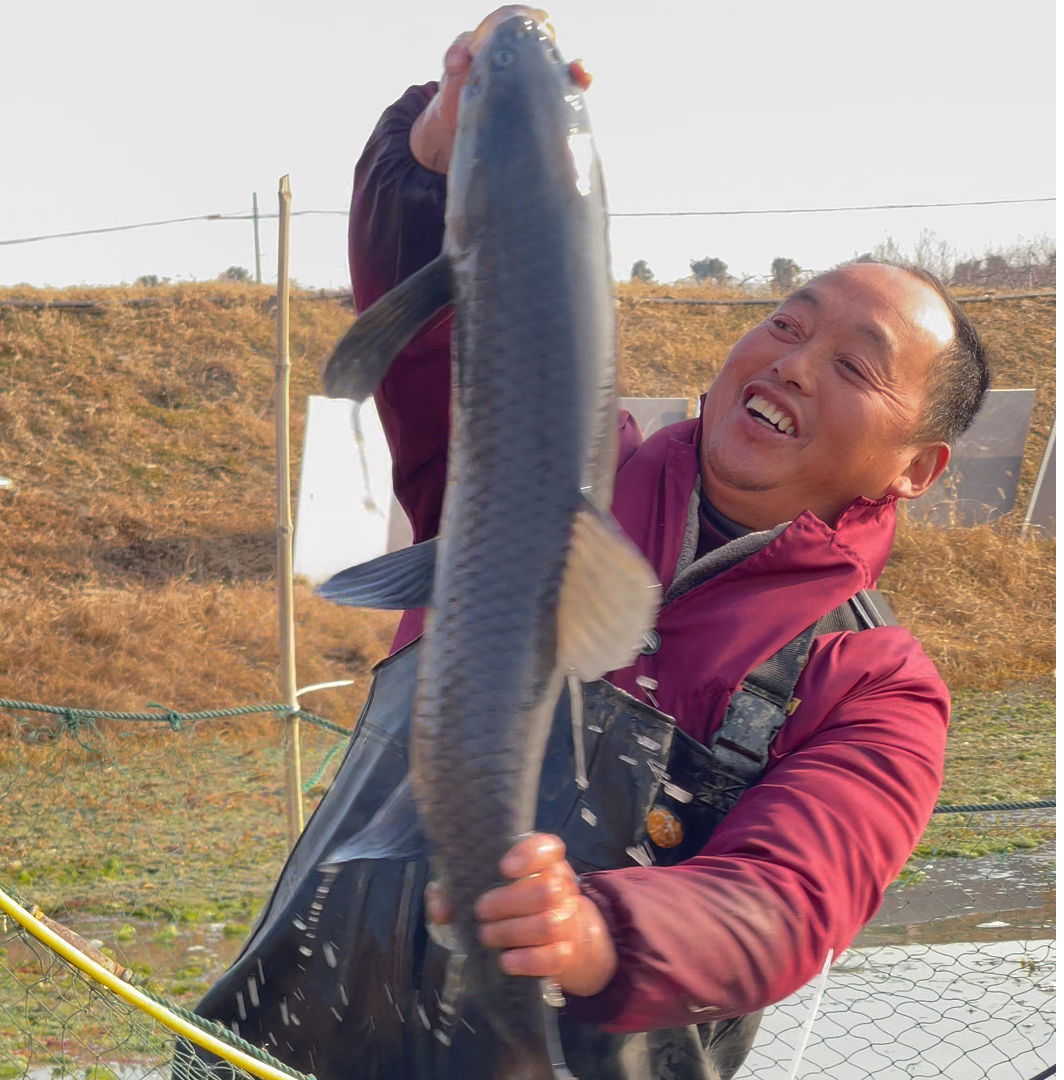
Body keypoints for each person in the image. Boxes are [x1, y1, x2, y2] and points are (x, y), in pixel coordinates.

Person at [343, 10, 990, 1076]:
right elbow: (436, 332)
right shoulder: (538, 462)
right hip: (307, 1036)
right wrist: (432, 153)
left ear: (915, 471)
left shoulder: (876, 686)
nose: (791, 363)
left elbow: (786, 900)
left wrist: (595, 932)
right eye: (788, 323)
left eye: (854, 364)